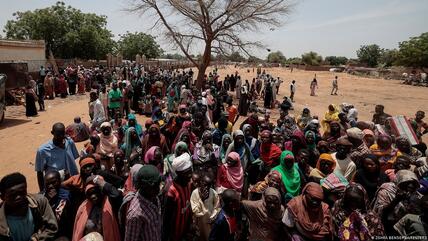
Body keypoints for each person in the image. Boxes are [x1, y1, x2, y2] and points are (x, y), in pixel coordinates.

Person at [0, 172, 58, 241]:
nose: (19, 197)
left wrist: (36, 238)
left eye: (22, 192)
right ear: (3, 197)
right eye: (13, 195)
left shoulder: (40, 202)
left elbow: (52, 228)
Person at [36, 122, 79, 191]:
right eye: (58, 135)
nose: (61, 137)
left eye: (63, 133)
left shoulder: (69, 142)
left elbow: (73, 160)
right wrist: (42, 191)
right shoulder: (43, 151)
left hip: (73, 181)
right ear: (52, 133)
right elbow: (39, 172)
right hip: (57, 185)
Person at [125, 165, 162, 241]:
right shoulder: (135, 214)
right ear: (144, 187)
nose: (158, 189)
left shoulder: (153, 197)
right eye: (154, 187)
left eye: (158, 185)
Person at [163, 152, 193, 241]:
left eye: (190, 172)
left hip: (184, 231)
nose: (190, 176)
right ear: (179, 174)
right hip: (174, 235)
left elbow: (187, 206)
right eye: (186, 173)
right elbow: (167, 219)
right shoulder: (171, 191)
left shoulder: (188, 184)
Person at [190, 175, 221, 241]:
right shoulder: (195, 193)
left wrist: (213, 218)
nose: (207, 187)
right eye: (205, 185)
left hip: (210, 222)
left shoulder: (213, 192)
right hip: (199, 222)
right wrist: (202, 200)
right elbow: (195, 211)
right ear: (200, 182)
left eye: (209, 185)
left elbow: (217, 207)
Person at [43, 170, 73, 239]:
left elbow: (58, 217)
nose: (50, 186)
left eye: (53, 182)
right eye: (47, 184)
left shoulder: (66, 196)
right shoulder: (42, 197)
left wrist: (51, 202)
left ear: (59, 181)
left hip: (64, 233)